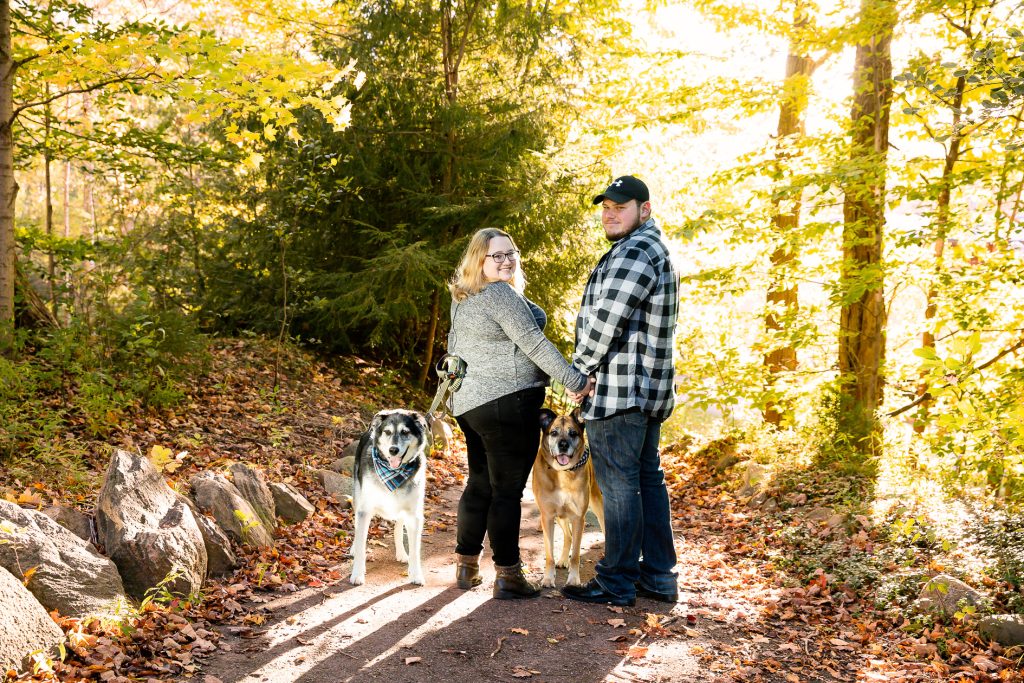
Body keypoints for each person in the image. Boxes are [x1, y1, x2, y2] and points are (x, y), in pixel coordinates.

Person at [447, 227, 591, 599]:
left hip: (471, 405)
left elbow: (455, 348)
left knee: (479, 483)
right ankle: (508, 575)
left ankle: (465, 567)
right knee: (506, 491)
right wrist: (575, 380)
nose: (506, 260)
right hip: (507, 404)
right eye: (496, 255)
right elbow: (534, 343)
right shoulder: (499, 294)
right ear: (479, 259)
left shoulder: (464, 296)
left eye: (511, 253)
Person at [560, 175, 680, 607]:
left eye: (620, 206)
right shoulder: (649, 248)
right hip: (644, 392)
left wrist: (578, 373)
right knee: (646, 480)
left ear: (644, 210)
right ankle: (658, 577)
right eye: (606, 206)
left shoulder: (636, 251)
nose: (610, 213)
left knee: (619, 486)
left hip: (621, 392)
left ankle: (616, 580)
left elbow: (604, 323)